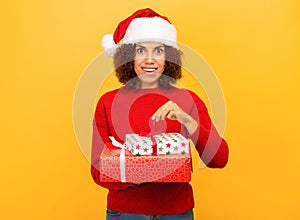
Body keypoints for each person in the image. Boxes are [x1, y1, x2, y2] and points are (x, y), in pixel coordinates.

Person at [91, 8, 229, 220]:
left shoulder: (187, 101)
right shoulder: (107, 103)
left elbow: (219, 159)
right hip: (125, 213)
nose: (149, 60)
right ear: (128, 56)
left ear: (169, 56)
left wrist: (187, 120)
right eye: (140, 51)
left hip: (176, 213)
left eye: (158, 51)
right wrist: (138, 175)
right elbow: (97, 170)